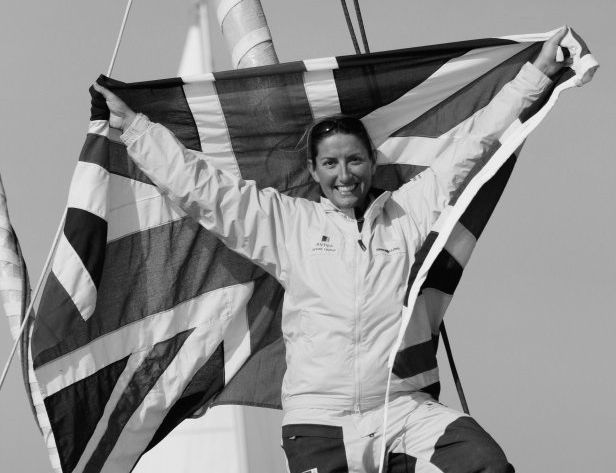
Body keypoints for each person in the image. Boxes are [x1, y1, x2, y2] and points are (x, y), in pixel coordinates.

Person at [94, 27, 569, 473]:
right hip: (320, 422)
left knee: (485, 462)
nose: (344, 175)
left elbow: (473, 144)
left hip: (402, 408)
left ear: (372, 162)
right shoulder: (289, 225)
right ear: (314, 170)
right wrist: (135, 129)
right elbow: (205, 191)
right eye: (331, 164)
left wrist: (536, 75)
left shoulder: (410, 211)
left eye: (355, 160)